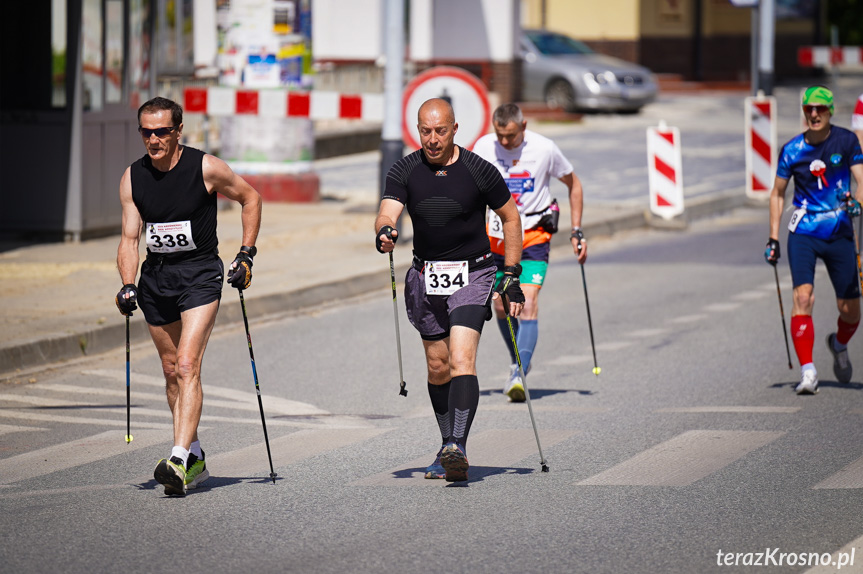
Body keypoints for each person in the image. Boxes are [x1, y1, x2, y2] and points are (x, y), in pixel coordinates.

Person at [115, 96, 262, 495]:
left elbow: (251, 197)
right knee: (168, 370)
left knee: (186, 365)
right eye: (146, 132)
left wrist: (245, 255)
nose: (154, 140)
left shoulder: (206, 167)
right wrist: (127, 283)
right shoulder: (133, 177)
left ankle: (177, 456)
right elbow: (130, 239)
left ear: (178, 131)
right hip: (156, 280)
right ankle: (194, 455)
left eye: (162, 131)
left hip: (199, 275)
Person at [374, 98, 524, 482]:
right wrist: (384, 230)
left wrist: (511, 273)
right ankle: (446, 449)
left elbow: (510, 217)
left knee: (461, 359)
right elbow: (388, 209)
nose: (433, 139)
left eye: (441, 131)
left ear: (455, 129)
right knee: (438, 366)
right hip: (426, 277)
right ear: (418, 130)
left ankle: (458, 444)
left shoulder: (478, 170)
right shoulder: (405, 169)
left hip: (473, 276)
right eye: (426, 131)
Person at [473, 103, 587, 402]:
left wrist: (576, 230)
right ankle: (518, 359)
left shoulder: (545, 148)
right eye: (500, 135)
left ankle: (518, 372)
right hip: (496, 237)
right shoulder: (484, 146)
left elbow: (574, 184)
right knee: (500, 306)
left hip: (534, 233)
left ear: (523, 127)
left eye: (510, 136)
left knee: (528, 301)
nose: (505, 143)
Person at [765, 86, 863, 394]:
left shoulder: (846, 141)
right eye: (809, 109)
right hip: (803, 233)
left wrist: (857, 202)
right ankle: (808, 371)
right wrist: (773, 238)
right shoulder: (792, 150)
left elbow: (862, 180)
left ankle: (838, 343)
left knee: (850, 310)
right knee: (803, 298)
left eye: (820, 108)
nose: (814, 114)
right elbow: (778, 194)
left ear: (830, 111)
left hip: (839, 233)